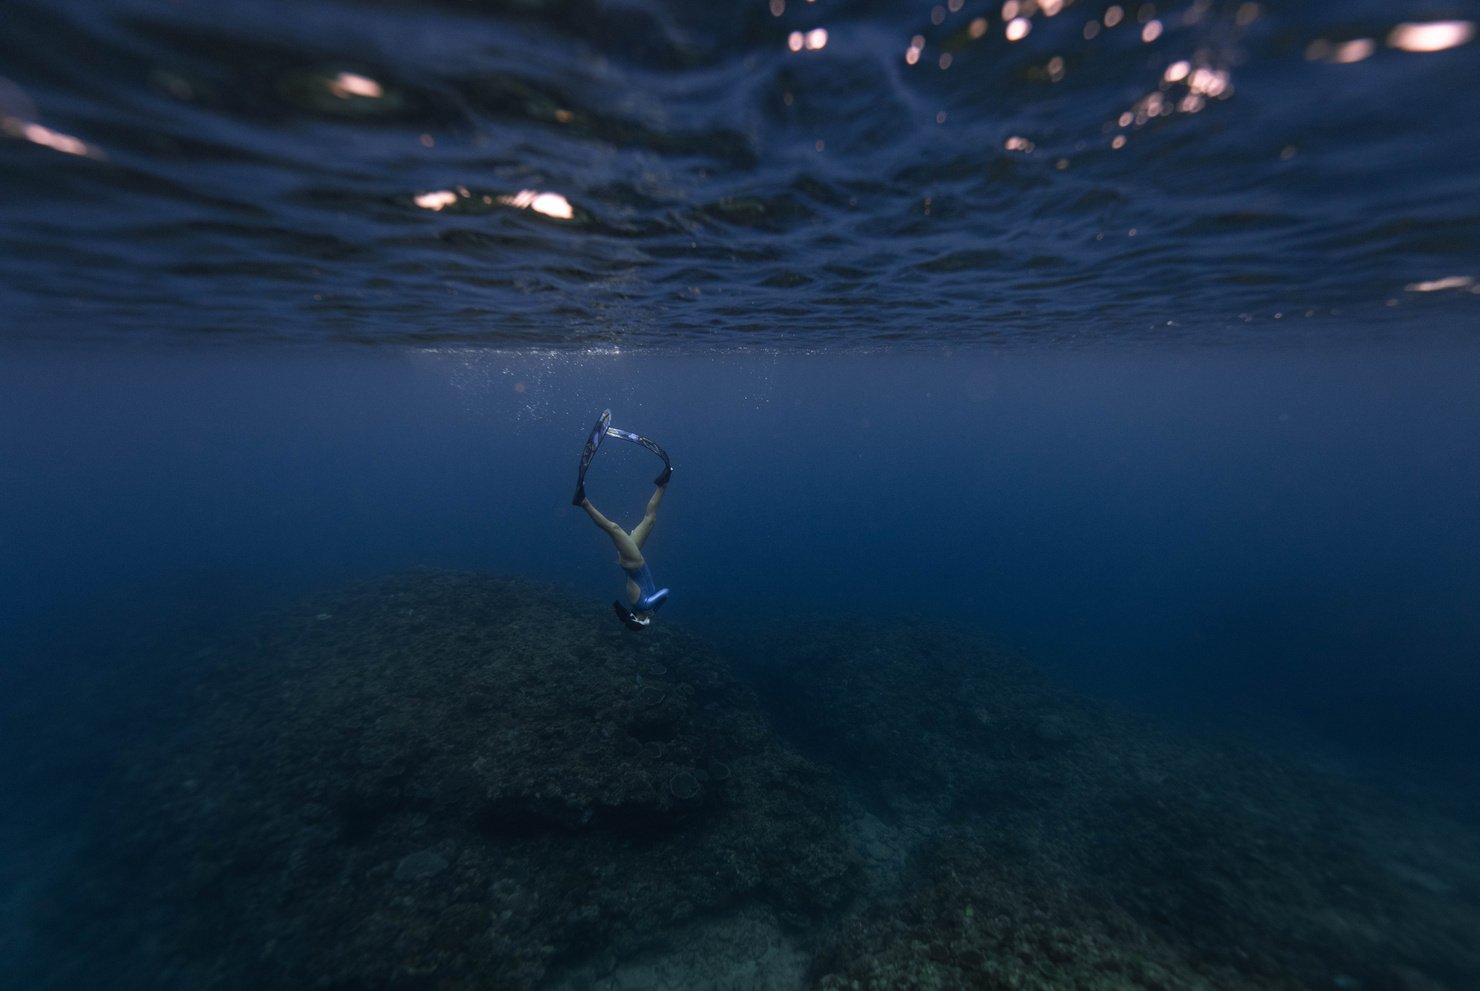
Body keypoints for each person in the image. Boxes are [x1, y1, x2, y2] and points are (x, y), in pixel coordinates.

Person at [572, 410, 673, 629]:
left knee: (615, 528)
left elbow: (666, 593)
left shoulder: (643, 603)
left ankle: (583, 502)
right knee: (650, 521)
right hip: (635, 558)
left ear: (637, 617)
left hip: (632, 561)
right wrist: (646, 616)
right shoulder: (643, 604)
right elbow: (662, 594)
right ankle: (663, 484)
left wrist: (649, 616)